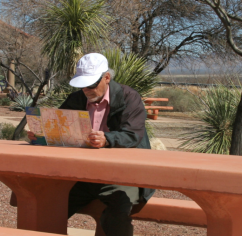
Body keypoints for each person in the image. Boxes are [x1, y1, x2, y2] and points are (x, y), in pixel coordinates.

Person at [27, 53, 154, 236]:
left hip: (121, 174)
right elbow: (60, 128)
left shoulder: (129, 98)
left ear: (107, 78)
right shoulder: (77, 99)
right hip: (83, 173)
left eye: (92, 84)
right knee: (50, 205)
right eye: (82, 85)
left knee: (118, 212)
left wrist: (107, 139)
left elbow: (133, 135)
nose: (86, 90)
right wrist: (42, 134)